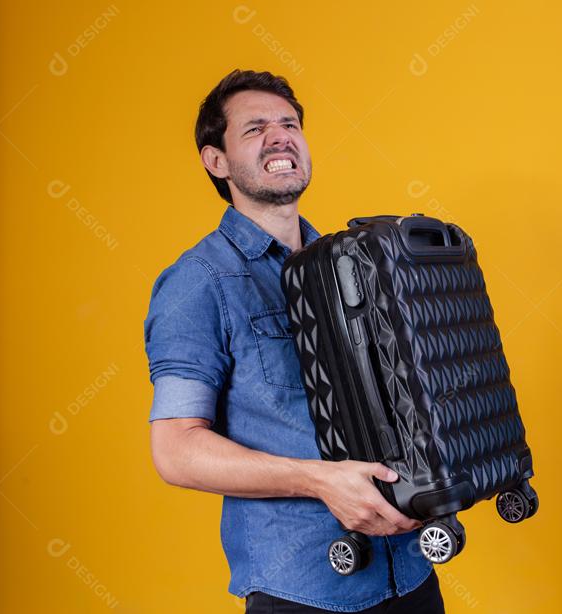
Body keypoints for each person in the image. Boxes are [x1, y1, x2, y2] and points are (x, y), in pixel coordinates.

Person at [144, 69, 445, 613]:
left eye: (289, 124)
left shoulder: (353, 267)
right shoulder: (198, 282)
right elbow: (176, 450)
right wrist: (320, 481)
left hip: (411, 568)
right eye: (255, 128)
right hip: (305, 587)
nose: (280, 137)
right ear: (216, 161)